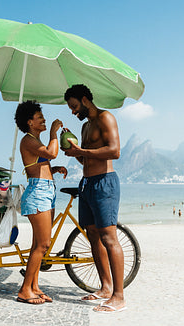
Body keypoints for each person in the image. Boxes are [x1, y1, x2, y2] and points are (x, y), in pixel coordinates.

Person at [62, 84, 126, 313]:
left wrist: (82, 152)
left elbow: (114, 151)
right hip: (87, 184)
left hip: (104, 183)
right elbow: (86, 160)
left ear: (85, 100)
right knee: (93, 237)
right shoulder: (86, 127)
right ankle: (105, 288)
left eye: (74, 106)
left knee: (109, 238)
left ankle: (119, 296)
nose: (72, 111)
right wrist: (73, 151)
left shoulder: (105, 117)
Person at [14, 100, 67, 305]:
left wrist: (53, 170)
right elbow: (52, 152)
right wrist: (54, 132)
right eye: (39, 117)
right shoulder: (28, 140)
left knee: (39, 244)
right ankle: (24, 290)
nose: (44, 119)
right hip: (38, 193)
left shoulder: (36, 142)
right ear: (30, 122)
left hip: (46, 190)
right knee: (43, 244)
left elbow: (40, 165)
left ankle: (34, 287)